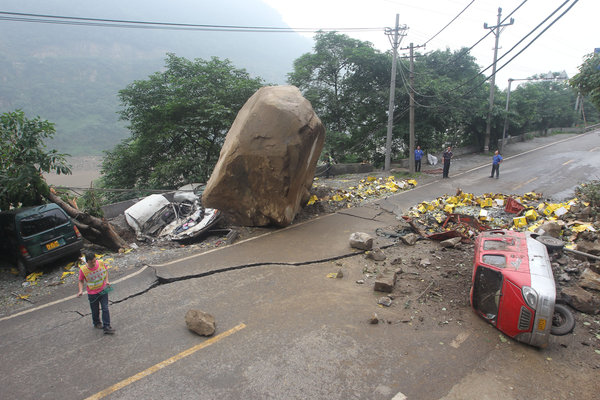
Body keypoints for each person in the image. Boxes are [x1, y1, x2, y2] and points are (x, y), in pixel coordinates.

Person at [77, 251, 115, 334]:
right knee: (95, 310)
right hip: (92, 294)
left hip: (103, 290)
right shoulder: (83, 270)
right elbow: (80, 281)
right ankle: (97, 322)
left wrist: (107, 281)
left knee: (105, 308)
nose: (94, 264)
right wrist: (80, 290)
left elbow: (105, 272)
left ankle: (107, 326)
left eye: (94, 261)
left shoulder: (101, 263)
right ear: (87, 262)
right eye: (91, 262)